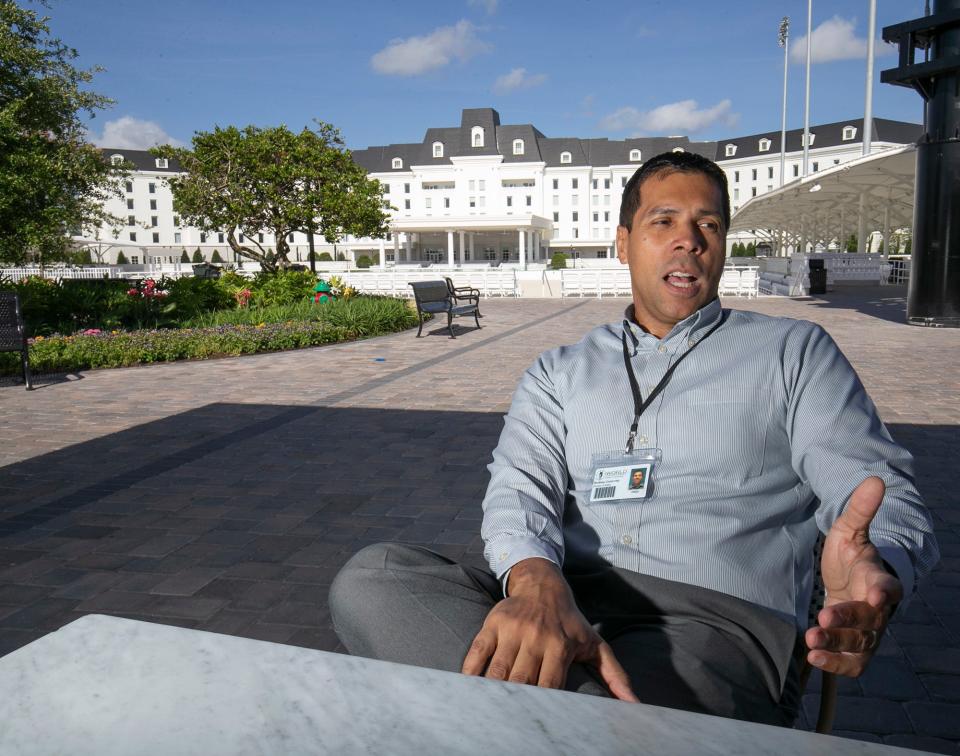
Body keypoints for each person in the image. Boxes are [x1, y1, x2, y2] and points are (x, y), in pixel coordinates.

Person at [329, 151, 939, 725]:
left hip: (711, 626)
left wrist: (876, 563)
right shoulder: (560, 370)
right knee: (373, 579)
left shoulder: (793, 352)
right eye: (664, 220)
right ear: (623, 243)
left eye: (709, 224)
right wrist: (537, 584)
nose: (689, 239)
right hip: (566, 599)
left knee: (546, 703)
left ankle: (547, 717)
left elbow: (867, 483)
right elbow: (519, 489)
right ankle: (578, 720)